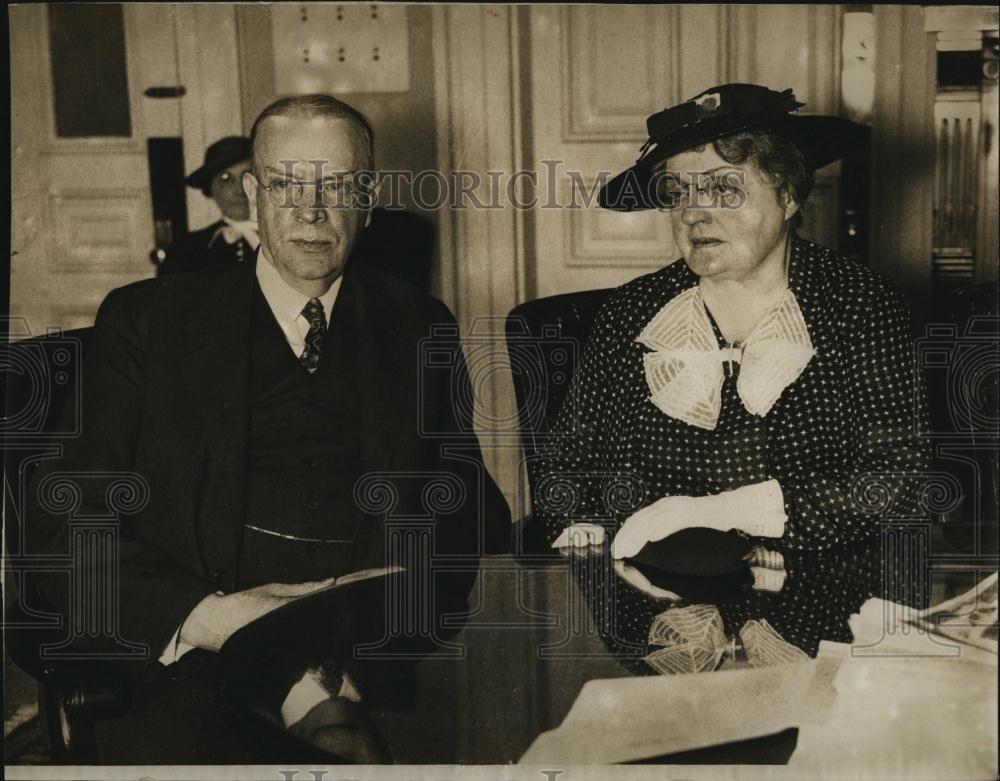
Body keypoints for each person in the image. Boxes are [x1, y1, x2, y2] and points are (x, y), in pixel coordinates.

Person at [24, 94, 510, 762]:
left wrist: (386, 595)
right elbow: (62, 522)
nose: (311, 212)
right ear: (252, 194)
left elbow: (469, 500)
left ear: (367, 197)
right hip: (195, 665)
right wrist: (210, 616)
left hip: (372, 658)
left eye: (336, 186)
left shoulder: (417, 322)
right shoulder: (150, 322)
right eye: (287, 184)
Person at [538, 83, 931, 557]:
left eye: (723, 187)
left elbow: (900, 481)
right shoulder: (630, 313)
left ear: (787, 196)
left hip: (816, 594)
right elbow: (564, 463)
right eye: (678, 193)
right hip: (655, 598)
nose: (694, 214)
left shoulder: (861, 305)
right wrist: (584, 531)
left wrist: (712, 513)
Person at [157, 136, 259, 275]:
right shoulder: (186, 250)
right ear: (210, 189)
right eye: (225, 179)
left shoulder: (287, 238)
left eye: (247, 176)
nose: (240, 190)